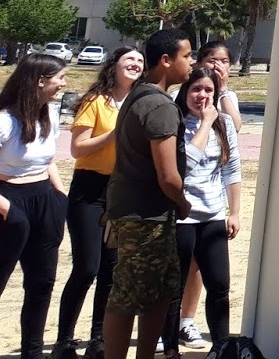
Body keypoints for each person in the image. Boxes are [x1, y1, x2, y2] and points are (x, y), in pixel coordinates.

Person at [102, 30, 194, 359]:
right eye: (187, 56)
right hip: (144, 218)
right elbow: (168, 176)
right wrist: (183, 202)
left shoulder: (139, 95)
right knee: (128, 295)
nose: (192, 63)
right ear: (166, 61)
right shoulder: (159, 106)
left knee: (160, 291)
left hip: (144, 214)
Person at [53, 46, 144, 359]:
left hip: (121, 190)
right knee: (87, 267)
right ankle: (64, 341)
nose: (135, 64)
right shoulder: (96, 100)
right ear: (114, 65)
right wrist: (114, 134)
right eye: (129, 59)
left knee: (111, 269)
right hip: (89, 190)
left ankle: (98, 339)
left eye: (140, 60)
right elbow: (78, 148)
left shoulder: (139, 102)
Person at [167, 42, 241, 351]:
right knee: (174, 287)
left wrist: (233, 212)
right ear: (185, 92)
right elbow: (184, 165)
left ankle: (221, 347)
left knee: (219, 286)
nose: (202, 96)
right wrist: (206, 122)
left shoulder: (224, 123)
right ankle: (170, 346)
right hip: (182, 216)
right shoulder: (175, 122)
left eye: (208, 90)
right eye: (196, 89)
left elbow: (232, 168)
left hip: (212, 216)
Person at [0, 52, 70, 359]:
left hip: (44, 199)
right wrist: (7, 209)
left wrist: (60, 196)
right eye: (60, 78)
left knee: (42, 282)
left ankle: (33, 352)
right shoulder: (4, 120)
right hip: (8, 202)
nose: (64, 84)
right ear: (40, 81)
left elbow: (48, 160)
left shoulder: (50, 114)